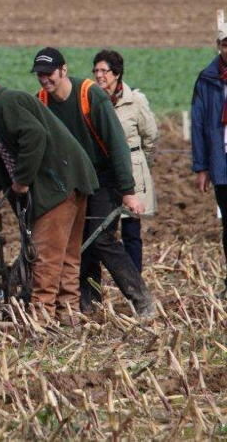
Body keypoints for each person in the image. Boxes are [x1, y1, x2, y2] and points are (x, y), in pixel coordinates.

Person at [0, 70, 98, 321]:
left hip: (56, 187)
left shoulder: (5, 104)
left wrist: (22, 180)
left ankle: (42, 318)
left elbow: (34, 136)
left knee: (46, 257)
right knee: (66, 257)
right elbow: (1, 167)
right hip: (69, 181)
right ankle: (68, 314)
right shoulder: (1, 108)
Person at [31, 47, 156, 317]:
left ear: (63, 70)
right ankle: (89, 302)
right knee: (78, 243)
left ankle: (141, 298)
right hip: (71, 181)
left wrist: (128, 191)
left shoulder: (89, 95)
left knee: (101, 239)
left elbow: (117, 145)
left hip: (102, 177)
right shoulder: (41, 101)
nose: (44, 80)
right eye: (40, 75)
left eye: (49, 73)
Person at [92, 49, 158, 272]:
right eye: (96, 70)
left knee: (131, 230)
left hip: (132, 172)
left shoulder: (136, 101)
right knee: (103, 230)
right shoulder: (92, 101)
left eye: (104, 71)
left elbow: (150, 136)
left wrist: (141, 163)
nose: (99, 75)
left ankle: (135, 280)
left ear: (116, 73)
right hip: (104, 174)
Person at [190, 24, 227, 298]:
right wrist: (201, 166)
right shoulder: (207, 79)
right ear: (219, 46)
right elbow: (199, 123)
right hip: (221, 163)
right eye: (225, 44)